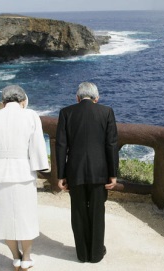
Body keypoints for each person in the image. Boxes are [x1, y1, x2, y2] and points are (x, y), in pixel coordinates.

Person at [0, 85, 49, 271]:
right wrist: (40, 166)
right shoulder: (31, 115)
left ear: (3, 102)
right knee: (26, 218)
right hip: (23, 171)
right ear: (22, 100)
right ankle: (27, 258)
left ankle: (16, 257)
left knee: (4, 217)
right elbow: (37, 146)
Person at [55, 82, 119, 263]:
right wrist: (113, 174)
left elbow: (61, 146)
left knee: (78, 211)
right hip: (100, 171)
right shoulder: (106, 112)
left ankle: (82, 254)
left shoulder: (66, 113)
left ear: (77, 98)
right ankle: (96, 253)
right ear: (96, 98)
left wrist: (61, 175)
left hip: (75, 171)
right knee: (98, 212)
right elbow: (111, 145)